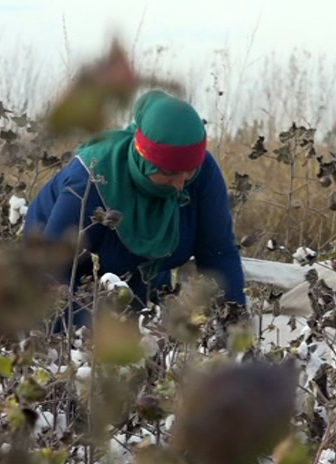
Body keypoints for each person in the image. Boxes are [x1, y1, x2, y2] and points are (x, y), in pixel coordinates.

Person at [23, 90, 246, 328]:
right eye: (169, 172)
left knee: (145, 343)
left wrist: (235, 331)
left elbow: (218, 254)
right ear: (143, 158)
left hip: (141, 276)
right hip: (66, 277)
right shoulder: (91, 182)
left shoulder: (204, 175)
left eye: (189, 171)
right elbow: (52, 272)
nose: (181, 184)